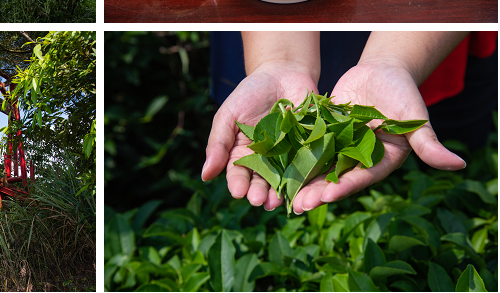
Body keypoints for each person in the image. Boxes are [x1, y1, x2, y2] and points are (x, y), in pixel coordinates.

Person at [203, 31, 492, 215]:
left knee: (461, 139)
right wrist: (279, 59)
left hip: (424, 38)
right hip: (268, 34)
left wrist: (393, 59)